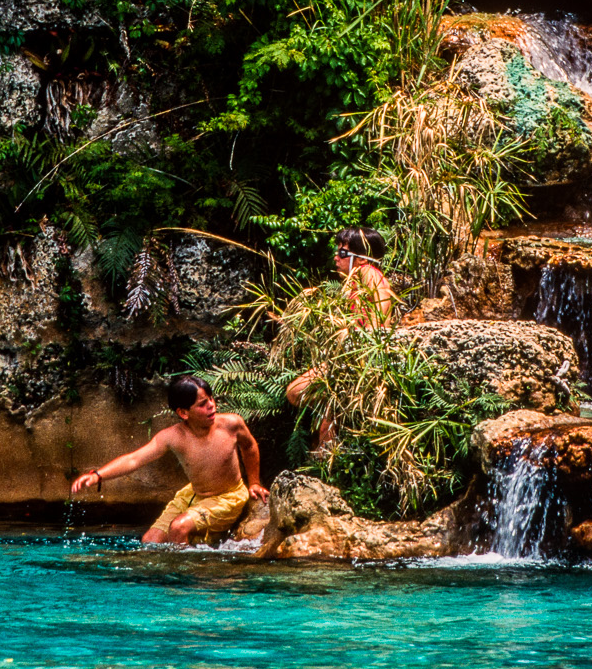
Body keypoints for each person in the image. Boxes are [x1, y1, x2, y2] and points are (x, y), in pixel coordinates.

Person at [69, 374, 266, 545]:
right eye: (202, 404)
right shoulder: (173, 436)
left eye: (211, 399)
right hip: (193, 495)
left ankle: (186, 574)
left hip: (228, 496)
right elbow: (134, 459)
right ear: (183, 413)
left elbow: (249, 446)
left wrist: (255, 482)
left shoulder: (231, 424)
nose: (211, 406)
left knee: (179, 528)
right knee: (150, 541)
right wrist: (98, 475)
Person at [284, 227, 395, 446]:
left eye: (343, 253)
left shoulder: (369, 274)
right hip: (351, 359)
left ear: (362, 258)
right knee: (316, 409)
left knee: (297, 391)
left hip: (360, 361)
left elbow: (377, 323)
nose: (336, 257)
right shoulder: (356, 282)